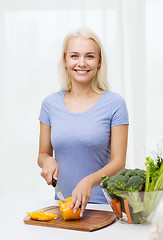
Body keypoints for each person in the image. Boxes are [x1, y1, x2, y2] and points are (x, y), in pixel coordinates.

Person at [38, 28, 129, 218]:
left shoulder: (115, 104)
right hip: (63, 206)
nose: (81, 63)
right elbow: (42, 154)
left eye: (89, 56)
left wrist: (88, 181)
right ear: (65, 61)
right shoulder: (50, 104)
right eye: (74, 56)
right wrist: (47, 161)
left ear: (99, 62)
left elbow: (119, 162)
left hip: (105, 206)